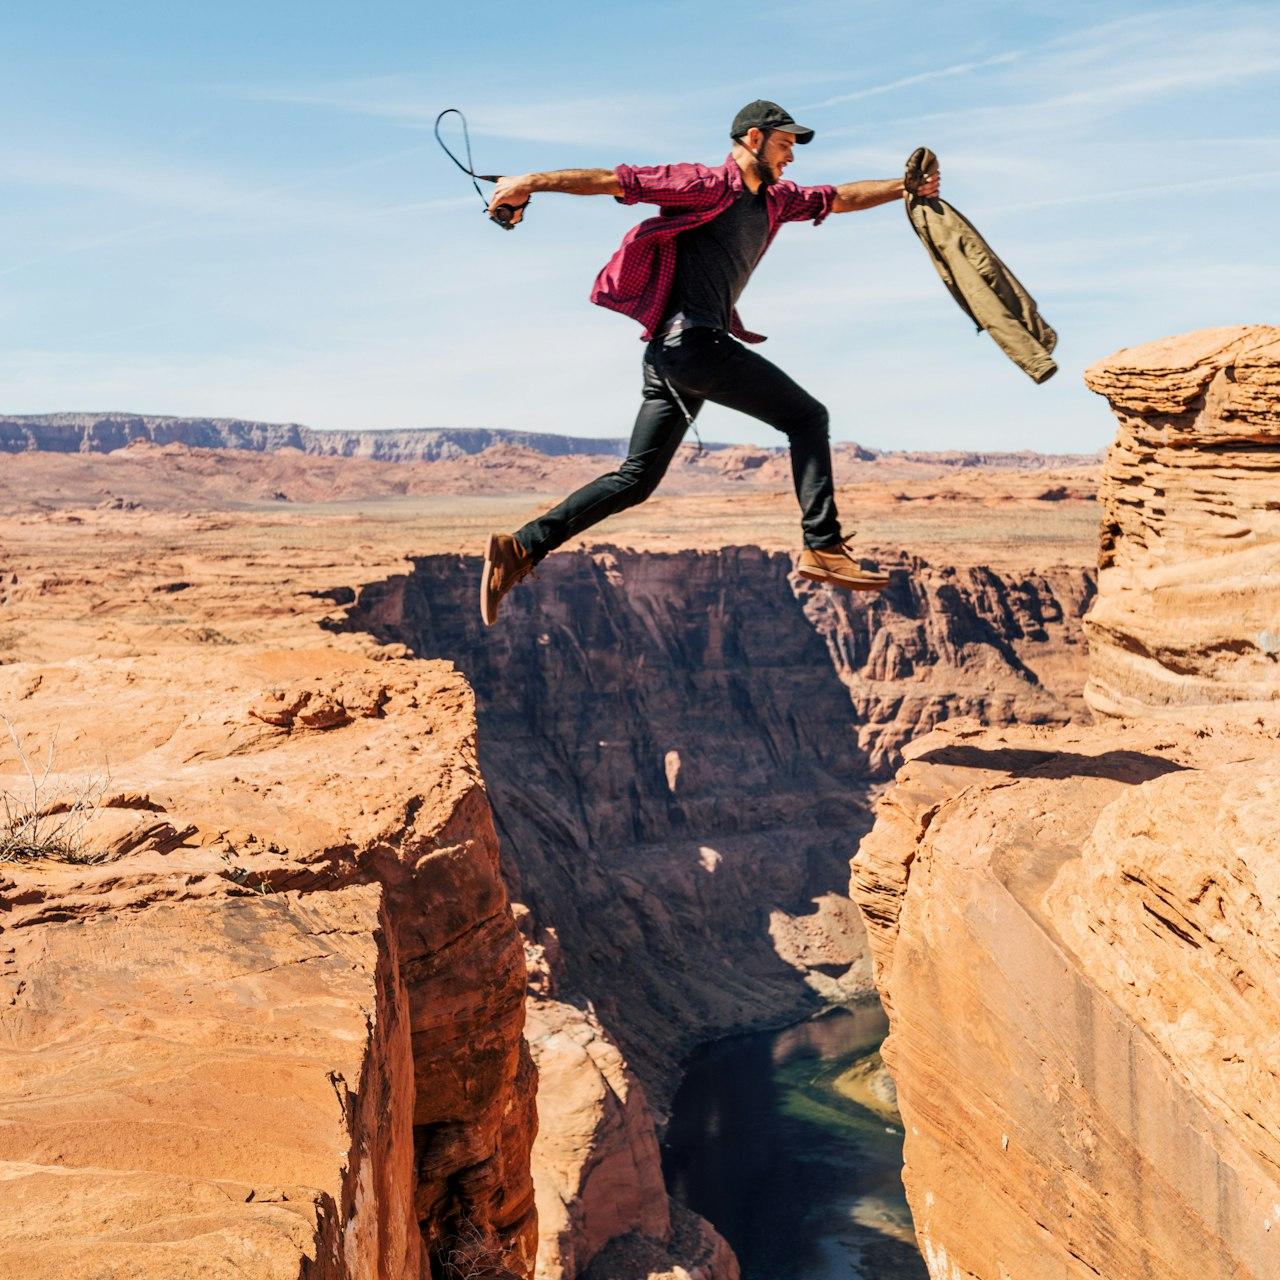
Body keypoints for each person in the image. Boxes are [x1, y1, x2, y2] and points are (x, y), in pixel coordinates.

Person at [479, 99, 940, 626]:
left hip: (671, 357)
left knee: (635, 480)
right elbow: (613, 180)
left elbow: (838, 198)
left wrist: (904, 188)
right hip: (691, 346)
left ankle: (520, 548)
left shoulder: (774, 200)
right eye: (784, 144)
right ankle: (823, 545)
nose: (791, 157)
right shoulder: (704, 184)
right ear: (752, 139)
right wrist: (527, 182)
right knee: (807, 418)